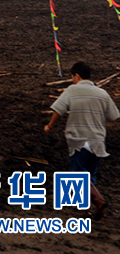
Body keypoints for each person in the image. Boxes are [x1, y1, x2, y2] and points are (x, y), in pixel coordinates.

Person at [46, 61, 120, 221]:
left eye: (72, 76)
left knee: (79, 177)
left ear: (77, 75)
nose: (72, 80)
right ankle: (85, 212)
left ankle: (98, 202)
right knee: (90, 177)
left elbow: (58, 109)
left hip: (79, 139)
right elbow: (114, 116)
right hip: (98, 141)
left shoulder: (72, 90)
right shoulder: (102, 93)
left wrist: (50, 125)